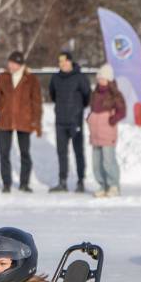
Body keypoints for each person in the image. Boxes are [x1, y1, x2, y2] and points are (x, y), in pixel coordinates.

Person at [0, 51, 43, 193]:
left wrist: (36, 122)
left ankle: (24, 183)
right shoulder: (2, 78)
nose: (10, 65)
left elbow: (36, 102)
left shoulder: (31, 79)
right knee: (3, 152)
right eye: (10, 62)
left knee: (25, 152)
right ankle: (7, 183)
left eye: (14, 63)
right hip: (6, 120)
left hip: (24, 121)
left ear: (20, 65)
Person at [48, 51, 91, 193]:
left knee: (78, 151)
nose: (62, 64)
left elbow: (87, 96)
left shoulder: (79, 77)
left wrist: (77, 109)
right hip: (60, 121)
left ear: (70, 62)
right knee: (62, 152)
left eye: (65, 61)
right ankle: (62, 182)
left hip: (75, 121)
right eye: (60, 62)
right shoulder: (55, 78)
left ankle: (80, 181)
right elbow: (53, 95)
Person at [88, 64, 127, 198]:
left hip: (108, 131)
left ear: (109, 79)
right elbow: (92, 109)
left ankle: (113, 185)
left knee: (108, 161)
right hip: (95, 133)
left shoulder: (114, 94)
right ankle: (102, 185)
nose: (100, 81)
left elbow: (122, 111)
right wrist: (90, 118)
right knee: (96, 162)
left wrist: (113, 119)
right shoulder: (95, 93)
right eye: (99, 78)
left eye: (103, 78)